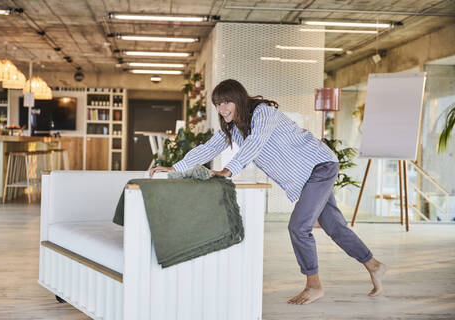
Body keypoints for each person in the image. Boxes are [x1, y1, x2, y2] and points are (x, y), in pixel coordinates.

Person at [150, 79, 386, 305]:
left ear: (238, 99)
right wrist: (176, 167)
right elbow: (209, 148)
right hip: (306, 177)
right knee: (334, 226)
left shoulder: (263, 112)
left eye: (226, 102)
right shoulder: (233, 127)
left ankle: (314, 284)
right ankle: (374, 265)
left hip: (319, 165)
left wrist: (227, 170)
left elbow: (256, 142)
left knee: (298, 227)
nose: (221, 109)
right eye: (218, 104)